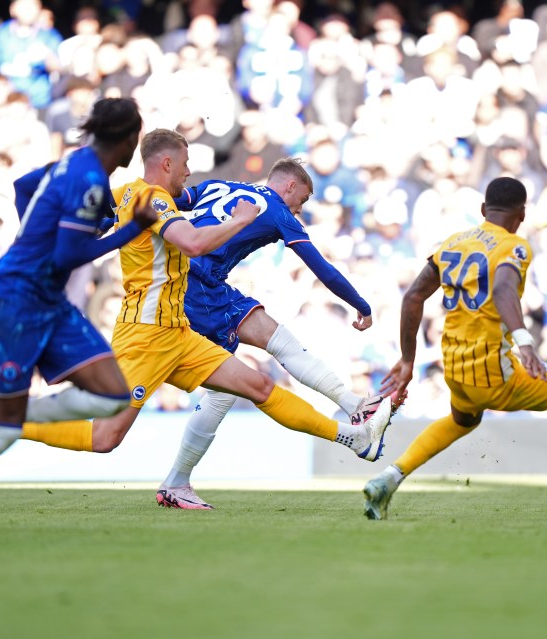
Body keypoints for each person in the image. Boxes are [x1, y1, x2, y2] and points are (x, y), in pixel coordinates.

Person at [0, 130, 393, 498]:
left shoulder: (142, 194)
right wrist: (241, 221)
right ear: (166, 162)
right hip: (151, 329)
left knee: (256, 383)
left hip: (178, 328)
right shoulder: (155, 200)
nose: (190, 172)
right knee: (105, 437)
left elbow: (28, 188)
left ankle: (352, 435)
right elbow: (192, 243)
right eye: (185, 163)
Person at [0, 97, 158, 536]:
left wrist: (29, 238)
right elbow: (68, 255)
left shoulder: (72, 162)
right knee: (2, 431)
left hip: (44, 300)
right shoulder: (90, 180)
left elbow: (21, 186)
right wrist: (132, 229)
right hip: (14, 299)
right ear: (130, 138)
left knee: (115, 394)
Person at [363, 177, 547, 521]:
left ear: (483, 210)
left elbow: (413, 297)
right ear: (522, 214)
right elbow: (504, 289)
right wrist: (525, 341)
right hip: (493, 372)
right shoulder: (515, 246)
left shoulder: (453, 242)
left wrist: (408, 359)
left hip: (455, 365)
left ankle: (388, 478)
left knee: (462, 420)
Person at [154, 157, 401, 509]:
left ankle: (354, 408)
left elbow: (163, 201)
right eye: (301, 201)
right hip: (198, 292)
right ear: (290, 187)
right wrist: (361, 305)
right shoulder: (277, 209)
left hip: (197, 284)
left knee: (273, 345)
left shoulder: (219, 186)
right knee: (226, 391)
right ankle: (176, 482)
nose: (299, 210)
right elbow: (322, 269)